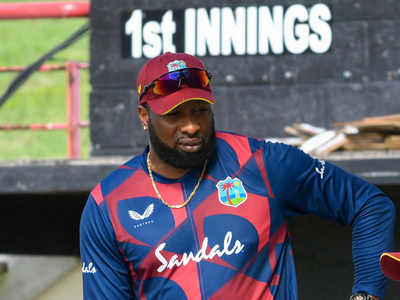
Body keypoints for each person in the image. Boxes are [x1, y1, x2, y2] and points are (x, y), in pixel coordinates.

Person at [80, 52, 395, 300]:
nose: (191, 126)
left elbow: (370, 205)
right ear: (144, 116)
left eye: (200, 110)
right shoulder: (107, 204)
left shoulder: (262, 163)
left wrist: (365, 295)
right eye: (174, 114)